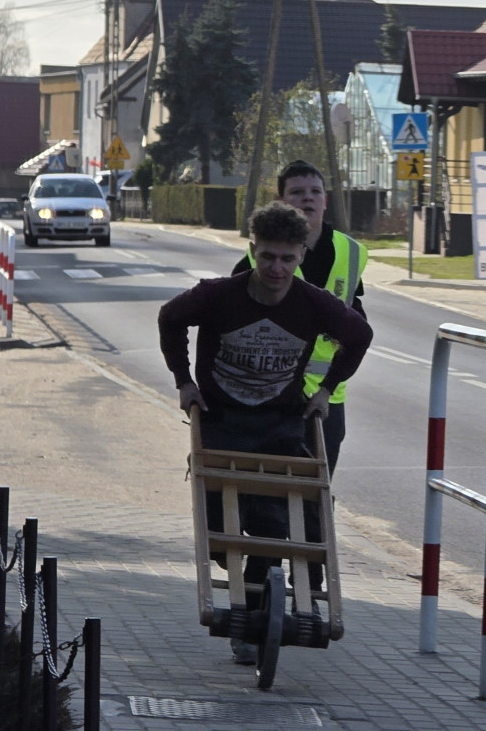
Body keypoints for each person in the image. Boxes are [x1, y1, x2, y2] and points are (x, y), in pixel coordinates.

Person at [158, 201, 373, 665]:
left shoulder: (313, 304)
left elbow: (360, 335)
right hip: (222, 424)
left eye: (287, 258)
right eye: (267, 257)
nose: (276, 268)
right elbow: (170, 319)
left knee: (276, 528)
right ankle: (247, 594)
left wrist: (328, 389)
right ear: (252, 250)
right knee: (219, 529)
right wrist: (185, 382)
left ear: (301, 255)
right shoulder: (219, 295)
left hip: (279, 425)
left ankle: (254, 620)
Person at [232, 159, 368, 478]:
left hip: (326, 397)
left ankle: (315, 528)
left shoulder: (350, 252)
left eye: (315, 191)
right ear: (281, 202)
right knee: (274, 494)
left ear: (325, 200)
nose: (308, 198)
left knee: (316, 492)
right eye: (297, 192)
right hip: (270, 398)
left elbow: (357, 321)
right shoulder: (258, 259)